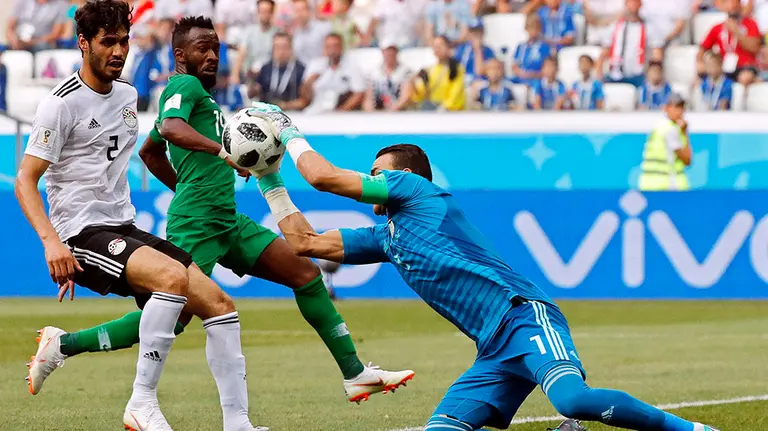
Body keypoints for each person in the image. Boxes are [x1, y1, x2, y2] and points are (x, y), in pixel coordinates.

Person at [246, 102, 721, 431]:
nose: (373, 179)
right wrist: (269, 177)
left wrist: (287, 132)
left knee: (572, 398)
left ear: (402, 177)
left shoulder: (418, 194)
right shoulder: (386, 237)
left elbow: (324, 177)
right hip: (492, 349)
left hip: (522, 316)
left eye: (378, 172)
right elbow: (304, 242)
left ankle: (692, 428)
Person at [46, 17, 413, 409]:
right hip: (197, 223)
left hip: (227, 219)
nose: (211, 56)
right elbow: (168, 128)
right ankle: (63, 344)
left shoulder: (204, 100)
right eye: (202, 48)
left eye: (216, 49)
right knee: (172, 316)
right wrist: (218, 156)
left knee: (306, 274)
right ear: (180, 55)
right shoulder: (182, 86)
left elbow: (149, 150)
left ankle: (355, 374)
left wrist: (186, 183)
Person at [17, 3, 267, 431]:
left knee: (220, 306)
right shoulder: (59, 106)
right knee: (171, 279)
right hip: (80, 232)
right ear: (84, 44)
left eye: (124, 41)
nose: (118, 51)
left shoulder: (129, 96)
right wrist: (51, 242)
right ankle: (141, 403)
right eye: (107, 42)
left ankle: (238, 424)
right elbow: (26, 180)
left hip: (123, 226)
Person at [698, 0, 760, 87]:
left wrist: (736, 32)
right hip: (724, 68)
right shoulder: (718, 27)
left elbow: (755, 48)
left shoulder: (750, 23)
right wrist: (700, 63)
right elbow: (702, 49)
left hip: (745, 67)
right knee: (704, 77)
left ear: (740, 5)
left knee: (745, 77)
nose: (731, 6)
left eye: (734, 3)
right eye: (728, 3)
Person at [639, 92, 692, 191]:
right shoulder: (671, 129)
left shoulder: (658, 126)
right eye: (676, 107)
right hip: (667, 184)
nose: (680, 111)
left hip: (649, 183)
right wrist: (685, 133)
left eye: (682, 107)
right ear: (666, 108)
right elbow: (687, 160)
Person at [302, 33, 366, 112]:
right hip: (315, 110)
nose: (332, 50)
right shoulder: (315, 65)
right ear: (324, 48)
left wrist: (342, 111)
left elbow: (359, 93)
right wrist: (309, 82)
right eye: (329, 47)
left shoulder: (352, 66)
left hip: (340, 111)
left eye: (335, 46)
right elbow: (304, 97)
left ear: (341, 47)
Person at [402, 35, 466, 111]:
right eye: (435, 46)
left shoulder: (456, 68)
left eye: (440, 46)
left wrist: (444, 107)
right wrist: (413, 84)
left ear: (448, 47)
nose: (437, 49)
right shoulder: (429, 70)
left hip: (450, 113)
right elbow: (421, 95)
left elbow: (456, 94)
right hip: (432, 111)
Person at [596, 0, 647, 87]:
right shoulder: (615, 26)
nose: (632, 6)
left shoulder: (646, 28)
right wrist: (598, 77)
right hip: (615, 74)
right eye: (630, 3)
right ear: (626, 4)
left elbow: (655, 55)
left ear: (640, 5)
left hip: (637, 75)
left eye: (635, 3)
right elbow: (604, 53)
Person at [252, 32, 307, 109]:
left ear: (291, 48)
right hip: (267, 113)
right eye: (277, 47)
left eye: (284, 47)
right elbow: (254, 94)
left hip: (293, 114)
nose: (281, 51)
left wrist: (286, 106)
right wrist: (251, 82)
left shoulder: (300, 70)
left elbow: (304, 101)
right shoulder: (265, 69)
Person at [231, 0, 278, 89]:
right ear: (257, 12)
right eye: (262, 11)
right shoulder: (249, 31)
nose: (264, 14)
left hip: (269, 76)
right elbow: (241, 53)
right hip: (250, 75)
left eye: (267, 11)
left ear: (272, 13)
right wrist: (235, 75)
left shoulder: (277, 33)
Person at [362, 42, 412, 112]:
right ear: (383, 52)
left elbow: (405, 97)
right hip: (378, 114)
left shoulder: (405, 71)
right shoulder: (373, 73)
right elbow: (368, 99)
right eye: (388, 50)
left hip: (399, 114)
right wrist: (371, 113)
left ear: (397, 52)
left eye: (393, 50)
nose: (390, 53)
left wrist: (389, 112)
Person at [511, 13, 551, 86]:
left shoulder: (544, 47)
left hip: (536, 80)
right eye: (531, 28)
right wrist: (521, 73)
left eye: (536, 28)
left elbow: (546, 70)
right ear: (526, 28)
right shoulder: (521, 47)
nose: (533, 31)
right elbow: (514, 66)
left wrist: (531, 75)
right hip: (520, 78)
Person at [453, 19, 496, 85]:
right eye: (473, 32)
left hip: (481, 83)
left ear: (483, 33)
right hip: (463, 82)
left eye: (478, 32)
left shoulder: (488, 51)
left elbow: (480, 72)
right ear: (469, 33)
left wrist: (478, 50)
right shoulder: (462, 49)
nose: (476, 35)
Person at [292, 0, 332, 65]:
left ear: (309, 11)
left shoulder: (323, 28)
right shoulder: (295, 34)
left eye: (302, 10)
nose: (299, 14)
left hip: (321, 69)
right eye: (297, 11)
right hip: (301, 72)